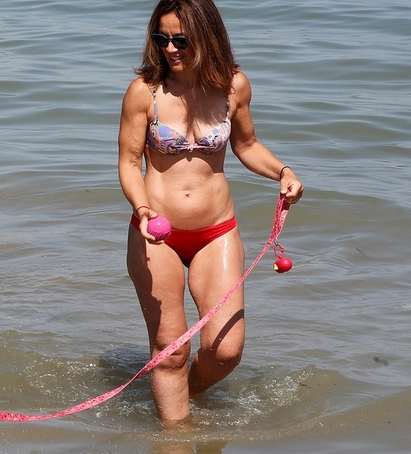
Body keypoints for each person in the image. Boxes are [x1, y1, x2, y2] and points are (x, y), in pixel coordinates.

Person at [118, 0, 304, 422]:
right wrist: (144, 209)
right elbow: (129, 163)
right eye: (161, 38)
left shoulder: (233, 86)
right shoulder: (144, 92)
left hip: (215, 232)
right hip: (154, 233)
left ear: (206, 37)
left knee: (225, 350)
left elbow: (246, 145)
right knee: (171, 351)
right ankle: (175, 438)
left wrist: (283, 172)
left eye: (180, 40)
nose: (170, 49)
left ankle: (173, 396)